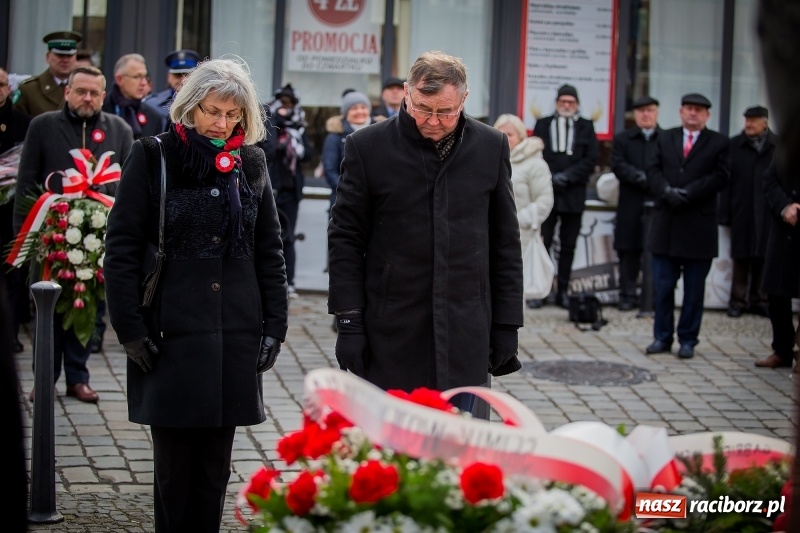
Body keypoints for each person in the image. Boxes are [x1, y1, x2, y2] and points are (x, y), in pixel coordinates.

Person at [103, 56, 288, 533]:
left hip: (234, 331)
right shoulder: (153, 154)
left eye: (232, 115)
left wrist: (275, 326)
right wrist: (130, 329)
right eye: (211, 111)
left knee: (214, 468)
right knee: (175, 469)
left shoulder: (251, 160)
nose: (221, 123)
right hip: (170, 331)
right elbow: (121, 249)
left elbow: (269, 249)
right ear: (189, 108)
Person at [327, 51, 523, 411]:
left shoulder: (491, 146)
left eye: (446, 112)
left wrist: (507, 324)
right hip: (393, 329)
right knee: (393, 457)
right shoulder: (367, 147)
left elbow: (505, 242)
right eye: (422, 108)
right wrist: (349, 321)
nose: (433, 121)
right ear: (406, 93)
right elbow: (346, 240)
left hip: (466, 329)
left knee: (459, 453)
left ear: (464, 100)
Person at [13, 65, 133, 402]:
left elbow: (129, 188)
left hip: (98, 238)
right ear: (67, 92)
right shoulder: (43, 126)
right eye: (81, 91)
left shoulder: (120, 129)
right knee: (46, 308)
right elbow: (26, 182)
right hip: (50, 235)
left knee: (87, 305)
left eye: (94, 93)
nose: (87, 98)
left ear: (104, 95)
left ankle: (78, 378)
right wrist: (23, 239)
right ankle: (45, 379)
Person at [644, 93, 729, 359]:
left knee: (693, 291)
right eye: (689, 109)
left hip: (698, 228)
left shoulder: (719, 142)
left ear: (707, 115)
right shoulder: (665, 137)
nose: (693, 114)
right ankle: (662, 337)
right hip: (666, 225)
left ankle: (688, 339)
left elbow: (721, 176)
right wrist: (667, 191)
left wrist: (689, 193)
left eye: (699, 110)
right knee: (663, 287)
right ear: (681, 111)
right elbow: (652, 170)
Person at [532, 84, 599, 309]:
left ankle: (563, 291)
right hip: (547, 193)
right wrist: (550, 177)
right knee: (544, 242)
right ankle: (541, 291)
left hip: (574, 193)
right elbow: (536, 153)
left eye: (571, 102)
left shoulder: (586, 127)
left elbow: (591, 159)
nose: (567, 105)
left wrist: (568, 177)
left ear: (577, 104)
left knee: (569, 245)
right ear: (557, 103)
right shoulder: (543, 124)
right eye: (563, 102)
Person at [718, 105, 777, 318]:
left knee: (764, 256)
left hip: (769, 212)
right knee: (740, 256)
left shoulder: (777, 147)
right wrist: (723, 213)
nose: (749, 124)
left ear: (765, 123)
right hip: (741, 209)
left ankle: (760, 299)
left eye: (754, 120)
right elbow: (725, 182)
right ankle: (738, 300)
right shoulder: (734, 145)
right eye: (747, 120)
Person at [493, 113, 554, 309]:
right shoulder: (488, 159)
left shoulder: (535, 164)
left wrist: (517, 221)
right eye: (500, 133)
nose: (505, 138)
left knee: (512, 295)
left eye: (509, 134)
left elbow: (544, 201)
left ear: (521, 136)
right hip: (488, 234)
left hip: (521, 238)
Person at [611, 95, 661, 311]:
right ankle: (627, 295)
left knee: (656, 252)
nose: (646, 115)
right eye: (641, 111)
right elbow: (618, 165)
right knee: (628, 251)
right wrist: (642, 178)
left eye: (650, 110)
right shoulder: (623, 139)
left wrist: (654, 181)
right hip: (630, 203)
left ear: (657, 113)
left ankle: (652, 297)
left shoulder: (666, 138)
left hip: (658, 203)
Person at [752, 159, 800, 369]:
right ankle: (782, 351)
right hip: (784, 232)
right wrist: (784, 206)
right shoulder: (788, 147)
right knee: (777, 295)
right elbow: (769, 179)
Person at [267, 83, 312, 298]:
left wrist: (295, 139)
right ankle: (269, 281)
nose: (285, 108)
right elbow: (268, 150)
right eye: (281, 104)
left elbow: (309, 155)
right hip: (271, 189)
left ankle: (289, 281)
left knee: (289, 237)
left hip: (290, 191)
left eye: (289, 104)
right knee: (268, 236)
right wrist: (276, 122)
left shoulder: (299, 127)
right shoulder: (269, 125)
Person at [0, 66, 32, 353]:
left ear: (9, 88)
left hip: (9, 210)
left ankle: (9, 335)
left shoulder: (23, 122)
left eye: (1, 84)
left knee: (11, 275)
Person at [322, 90, 382, 211]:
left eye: (363, 107)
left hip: (379, 201)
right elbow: (330, 170)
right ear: (345, 112)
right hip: (344, 201)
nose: (359, 111)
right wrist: (348, 191)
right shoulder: (335, 136)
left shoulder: (382, 132)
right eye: (354, 108)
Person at [14, 30, 82, 117]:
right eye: (60, 55)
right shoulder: (29, 89)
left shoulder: (84, 89)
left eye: (69, 56)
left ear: (75, 58)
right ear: (47, 57)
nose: (65, 60)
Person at [102, 53, 162, 139]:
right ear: (119, 79)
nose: (144, 83)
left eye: (145, 77)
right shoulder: (101, 109)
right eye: (137, 77)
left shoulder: (154, 118)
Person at [145, 49, 200, 133]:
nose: (183, 79)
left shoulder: (206, 103)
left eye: (187, 74)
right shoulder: (151, 104)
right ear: (169, 77)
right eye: (178, 75)